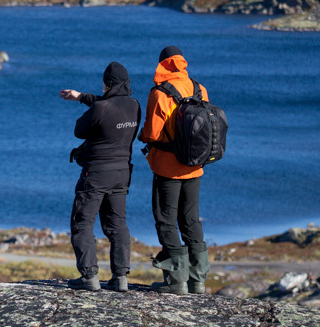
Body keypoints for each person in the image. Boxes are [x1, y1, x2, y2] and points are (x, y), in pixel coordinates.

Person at [59, 62, 140, 292]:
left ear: (107, 84)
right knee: (117, 223)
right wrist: (82, 97)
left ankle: (89, 277)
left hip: (95, 174)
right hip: (122, 173)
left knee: (83, 222)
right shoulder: (134, 106)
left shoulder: (100, 109)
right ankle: (120, 277)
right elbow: (110, 108)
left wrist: (87, 102)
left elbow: (80, 130)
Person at [140, 45, 210, 294]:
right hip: (195, 166)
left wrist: (141, 136)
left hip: (168, 167)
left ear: (161, 64)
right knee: (191, 219)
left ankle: (176, 280)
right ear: (182, 63)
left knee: (165, 219)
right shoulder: (199, 88)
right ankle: (198, 280)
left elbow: (152, 133)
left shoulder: (160, 93)